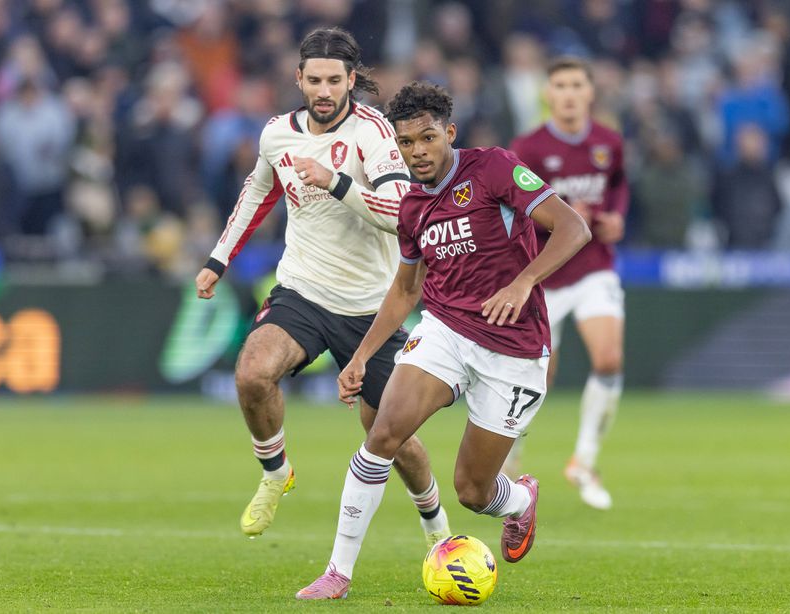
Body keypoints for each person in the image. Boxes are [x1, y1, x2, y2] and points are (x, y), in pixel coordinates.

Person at [296, 81, 590, 600]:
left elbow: (572, 228)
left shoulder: (494, 168)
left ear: (449, 132)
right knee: (382, 432)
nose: (418, 152)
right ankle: (337, 572)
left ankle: (519, 502)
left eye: (427, 138)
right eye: (406, 143)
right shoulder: (412, 208)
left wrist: (523, 282)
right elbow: (407, 288)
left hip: (515, 351)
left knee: (473, 491)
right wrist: (361, 357)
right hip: (447, 331)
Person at [194, 28, 450, 548]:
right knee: (252, 372)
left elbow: (400, 217)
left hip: (371, 310)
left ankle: (437, 529)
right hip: (303, 291)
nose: (325, 90)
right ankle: (275, 472)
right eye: (315, 80)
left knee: (391, 439)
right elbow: (257, 195)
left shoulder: (376, 134)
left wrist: (336, 180)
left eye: (335, 80)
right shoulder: (276, 135)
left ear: (352, 80)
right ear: (299, 79)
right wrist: (218, 261)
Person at [508, 56, 629, 511]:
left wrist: (615, 216)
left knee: (610, 357)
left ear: (590, 92)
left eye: (577, 84)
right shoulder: (528, 147)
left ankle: (585, 461)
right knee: (540, 375)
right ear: (548, 94)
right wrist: (559, 213)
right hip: (544, 273)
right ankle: (512, 452)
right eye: (560, 85)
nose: (570, 92)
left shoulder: (609, 142)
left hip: (595, 264)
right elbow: (515, 210)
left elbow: (618, 184)